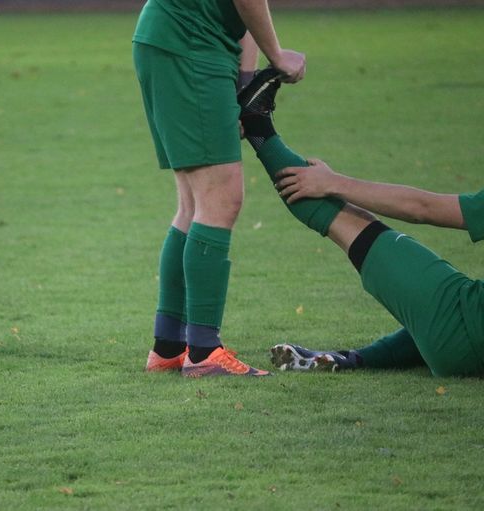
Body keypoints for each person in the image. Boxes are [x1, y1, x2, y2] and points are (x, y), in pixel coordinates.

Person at [237, 69, 484, 377]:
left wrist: (333, 183)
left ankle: (256, 123)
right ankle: (347, 359)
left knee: (351, 221)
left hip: (465, 330)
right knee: (427, 312)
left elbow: (423, 208)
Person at [133, 0, 306, 377]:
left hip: (177, 41)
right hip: (191, 46)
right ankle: (204, 352)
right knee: (220, 199)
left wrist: (243, 85)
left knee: (193, 203)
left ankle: (169, 348)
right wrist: (277, 55)